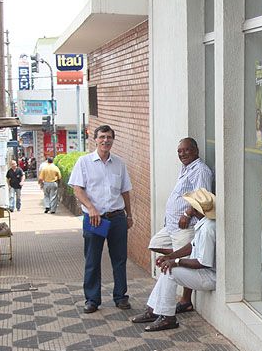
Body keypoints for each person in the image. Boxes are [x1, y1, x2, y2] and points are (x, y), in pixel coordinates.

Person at [131, 188, 216, 331]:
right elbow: (191, 245)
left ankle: (168, 318)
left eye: (191, 206)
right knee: (168, 269)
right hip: (204, 273)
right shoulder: (204, 223)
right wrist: (170, 257)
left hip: (210, 277)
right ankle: (153, 310)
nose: (188, 208)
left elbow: (203, 262)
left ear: (195, 210)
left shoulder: (208, 228)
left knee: (170, 272)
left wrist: (176, 262)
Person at [69, 125, 133, 314]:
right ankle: (92, 299)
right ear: (95, 139)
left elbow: (125, 191)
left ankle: (121, 297)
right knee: (92, 259)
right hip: (94, 219)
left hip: (116, 218)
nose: (106, 140)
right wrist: (91, 208)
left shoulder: (119, 163)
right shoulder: (84, 162)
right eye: (102, 137)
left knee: (120, 259)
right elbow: (77, 189)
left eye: (109, 137)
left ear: (113, 140)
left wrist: (129, 215)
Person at [148, 137, 213, 313]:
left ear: (196, 150)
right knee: (155, 244)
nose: (182, 154)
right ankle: (190, 253)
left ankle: (185, 300)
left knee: (174, 266)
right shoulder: (186, 168)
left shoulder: (200, 170)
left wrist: (187, 213)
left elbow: (202, 197)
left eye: (186, 150)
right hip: (172, 226)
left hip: (186, 224)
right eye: (179, 151)